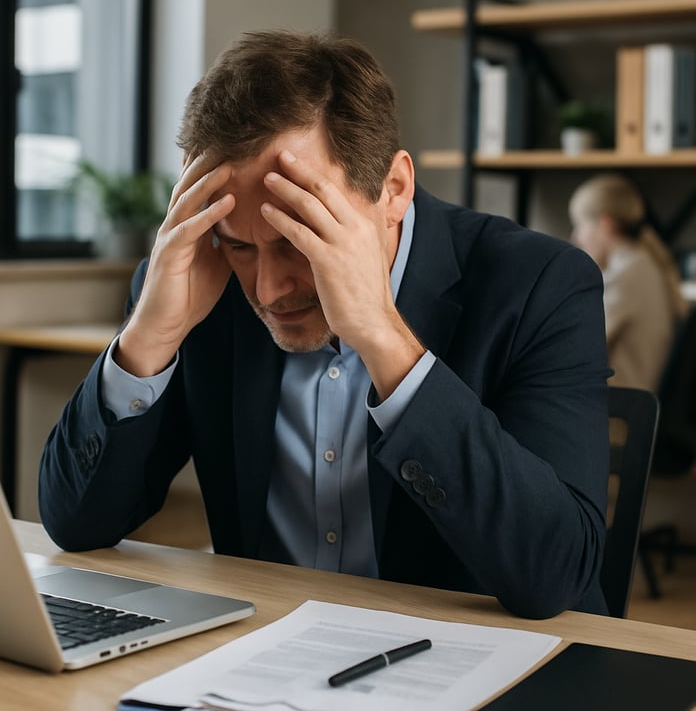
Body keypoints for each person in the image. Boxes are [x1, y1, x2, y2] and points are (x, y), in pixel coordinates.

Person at [39, 30, 611, 619]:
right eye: (239, 247)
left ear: (393, 189)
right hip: (266, 663)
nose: (267, 290)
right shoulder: (196, 283)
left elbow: (555, 573)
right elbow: (77, 523)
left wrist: (385, 338)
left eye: (297, 238)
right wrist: (147, 340)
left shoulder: (541, 284)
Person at [569, 173, 688, 392]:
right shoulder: (643, 264)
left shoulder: (626, 275)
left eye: (580, 225)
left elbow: (575, 347)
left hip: (617, 415)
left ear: (604, 225)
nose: (575, 238)